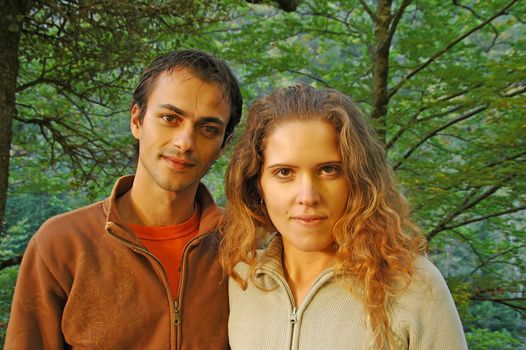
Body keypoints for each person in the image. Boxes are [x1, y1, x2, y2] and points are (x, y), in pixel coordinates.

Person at [5, 49, 242, 349]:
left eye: (208, 129)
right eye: (170, 118)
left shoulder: (239, 244)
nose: (185, 142)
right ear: (137, 121)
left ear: (223, 145)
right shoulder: (62, 244)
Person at [220, 84, 467, 349]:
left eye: (329, 170)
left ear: (358, 179)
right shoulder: (240, 278)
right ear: (257, 183)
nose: (307, 195)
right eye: (284, 173)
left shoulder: (413, 285)